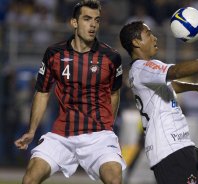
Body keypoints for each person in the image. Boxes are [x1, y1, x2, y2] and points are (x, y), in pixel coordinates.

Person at [14, 1, 126, 184]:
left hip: (98, 136)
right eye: (87, 19)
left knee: (114, 179)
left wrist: (108, 127)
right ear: (74, 22)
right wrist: (32, 130)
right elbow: (42, 93)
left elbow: (114, 94)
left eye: (97, 20)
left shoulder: (111, 57)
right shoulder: (54, 54)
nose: (93, 25)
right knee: (30, 178)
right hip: (62, 135)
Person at [119, 20, 198, 184]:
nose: (155, 38)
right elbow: (176, 71)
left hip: (180, 146)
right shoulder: (143, 68)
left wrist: (195, 87)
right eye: (149, 34)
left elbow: (170, 85)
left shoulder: (141, 71)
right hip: (170, 150)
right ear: (136, 42)